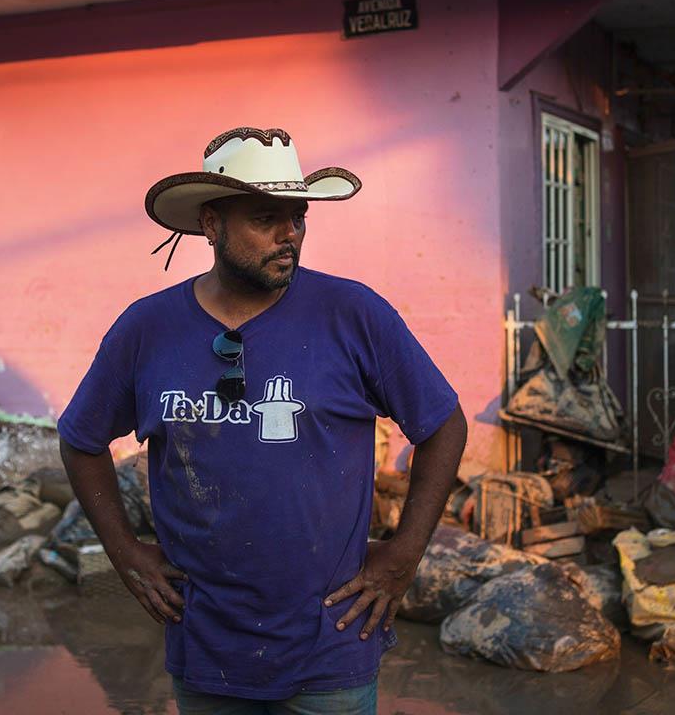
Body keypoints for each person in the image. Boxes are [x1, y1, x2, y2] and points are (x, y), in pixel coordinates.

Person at [57, 126, 467, 714]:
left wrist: (403, 555)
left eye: (296, 216)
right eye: (262, 218)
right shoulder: (147, 330)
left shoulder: (353, 315)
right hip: (207, 648)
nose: (290, 233)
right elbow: (81, 440)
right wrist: (126, 554)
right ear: (211, 224)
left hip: (331, 644)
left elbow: (442, 425)